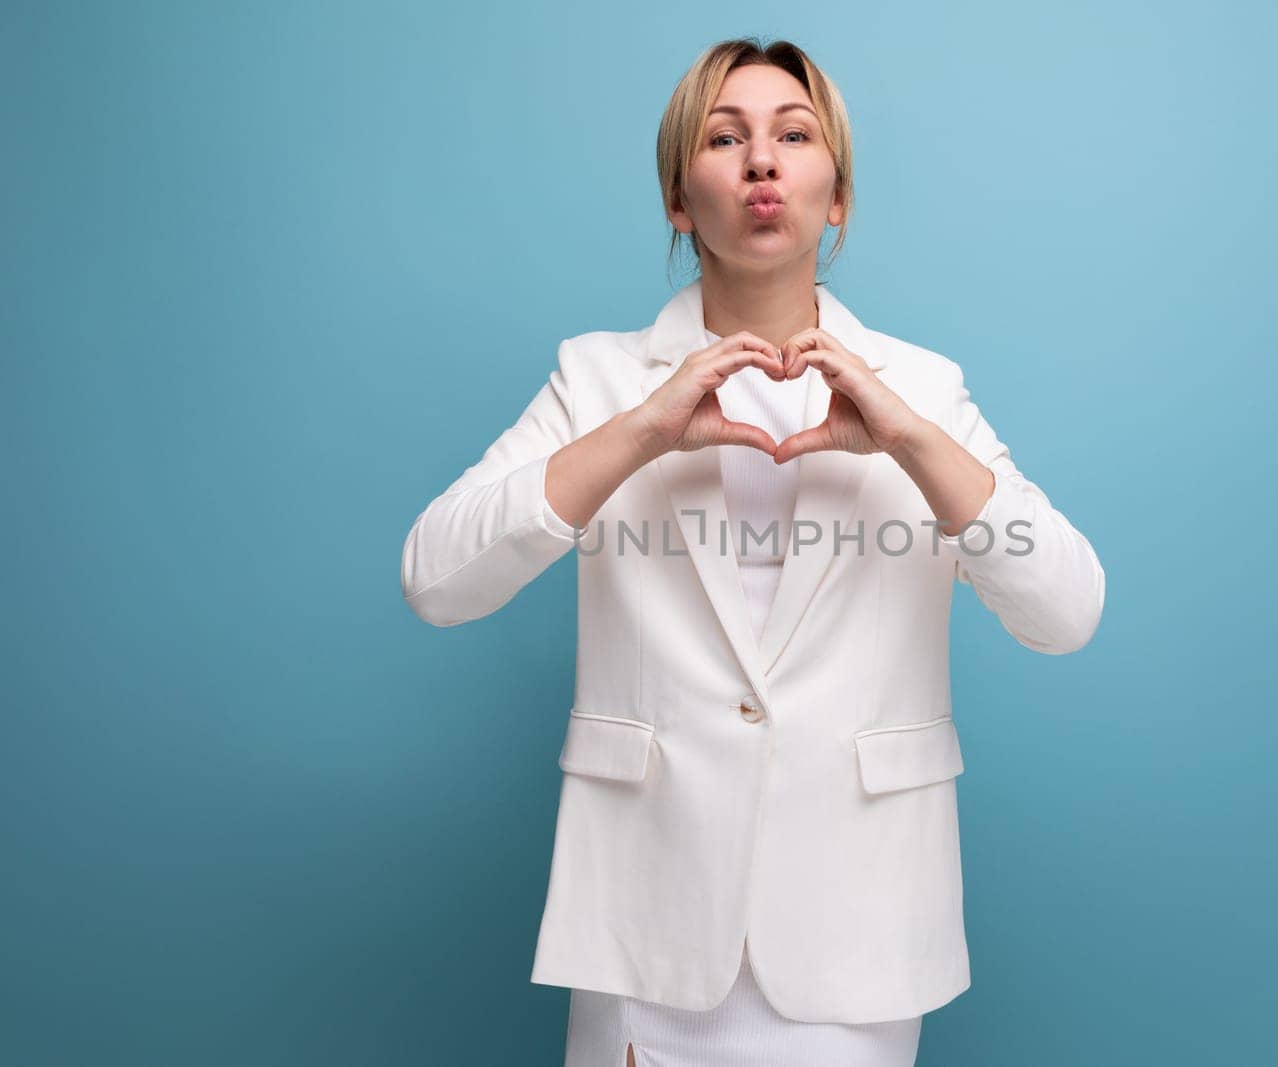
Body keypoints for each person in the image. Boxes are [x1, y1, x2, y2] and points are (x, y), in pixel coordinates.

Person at [400, 37, 1106, 1067]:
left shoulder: (925, 388)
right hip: (647, 933)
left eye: (793, 135)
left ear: (839, 199)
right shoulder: (599, 380)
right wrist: (641, 431)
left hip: (854, 936)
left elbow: (1066, 610)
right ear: (680, 202)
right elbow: (436, 579)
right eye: (723, 138)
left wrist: (910, 440)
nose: (760, 161)